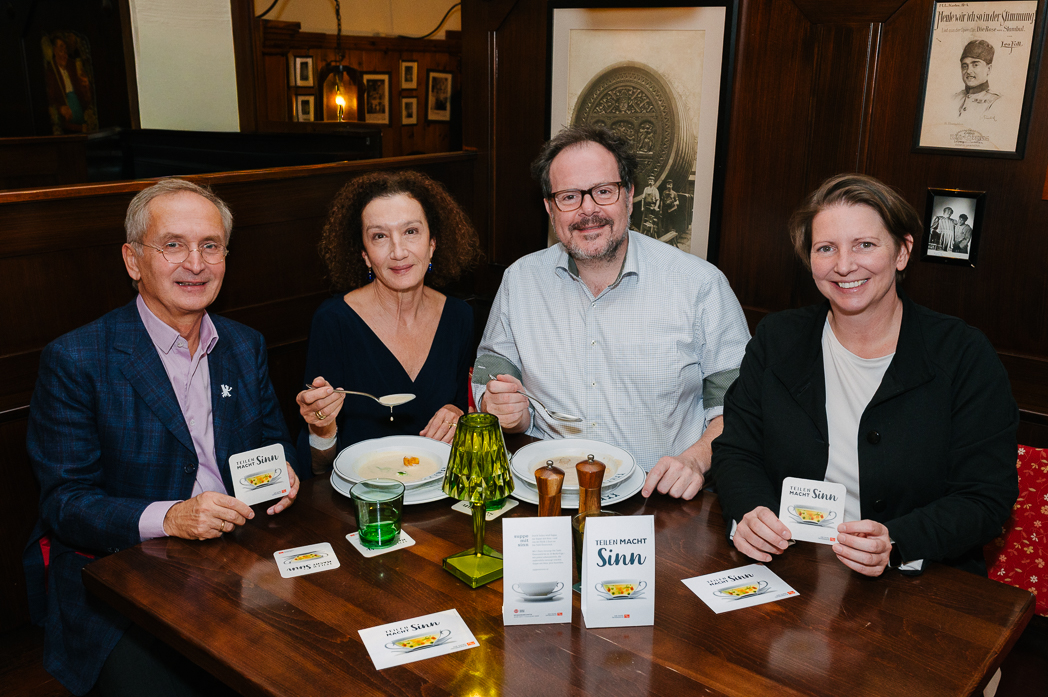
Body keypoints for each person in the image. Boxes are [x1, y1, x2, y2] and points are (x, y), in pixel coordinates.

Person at [24, 179, 299, 696]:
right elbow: (66, 505)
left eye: (210, 246)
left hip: (242, 555)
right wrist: (170, 517)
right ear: (133, 261)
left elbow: (272, 448)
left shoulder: (244, 345)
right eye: (173, 244)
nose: (195, 263)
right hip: (122, 575)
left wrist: (281, 474)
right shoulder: (78, 359)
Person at [710, 173, 1017, 577]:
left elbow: (985, 497)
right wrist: (751, 512)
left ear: (902, 252)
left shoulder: (963, 354)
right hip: (792, 566)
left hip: (919, 580)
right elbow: (737, 450)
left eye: (865, 245)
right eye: (826, 248)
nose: (843, 265)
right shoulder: (777, 338)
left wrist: (896, 541)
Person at [475, 125, 750, 500]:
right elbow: (492, 378)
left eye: (603, 191)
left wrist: (697, 460)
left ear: (629, 195)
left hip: (659, 500)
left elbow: (739, 407)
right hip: (548, 495)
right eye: (569, 196)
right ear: (549, 207)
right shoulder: (520, 281)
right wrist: (506, 411)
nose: (588, 209)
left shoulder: (699, 285)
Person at [296, 171, 481, 475]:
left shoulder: (459, 316)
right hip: (365, 502)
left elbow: (460, 412)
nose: (398, 252)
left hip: (441, 494)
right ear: (365, 254)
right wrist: (322, 430)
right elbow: (317, 467)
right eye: (379, 236)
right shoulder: (334, 322)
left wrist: (458, 412)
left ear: (432, 242)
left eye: (411, 231)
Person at [953, 39, 1000, 124]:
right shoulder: (954, 99)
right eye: (964, 66)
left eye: (975, 65)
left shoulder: (996, 102)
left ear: (988, 69)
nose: (968, 71)